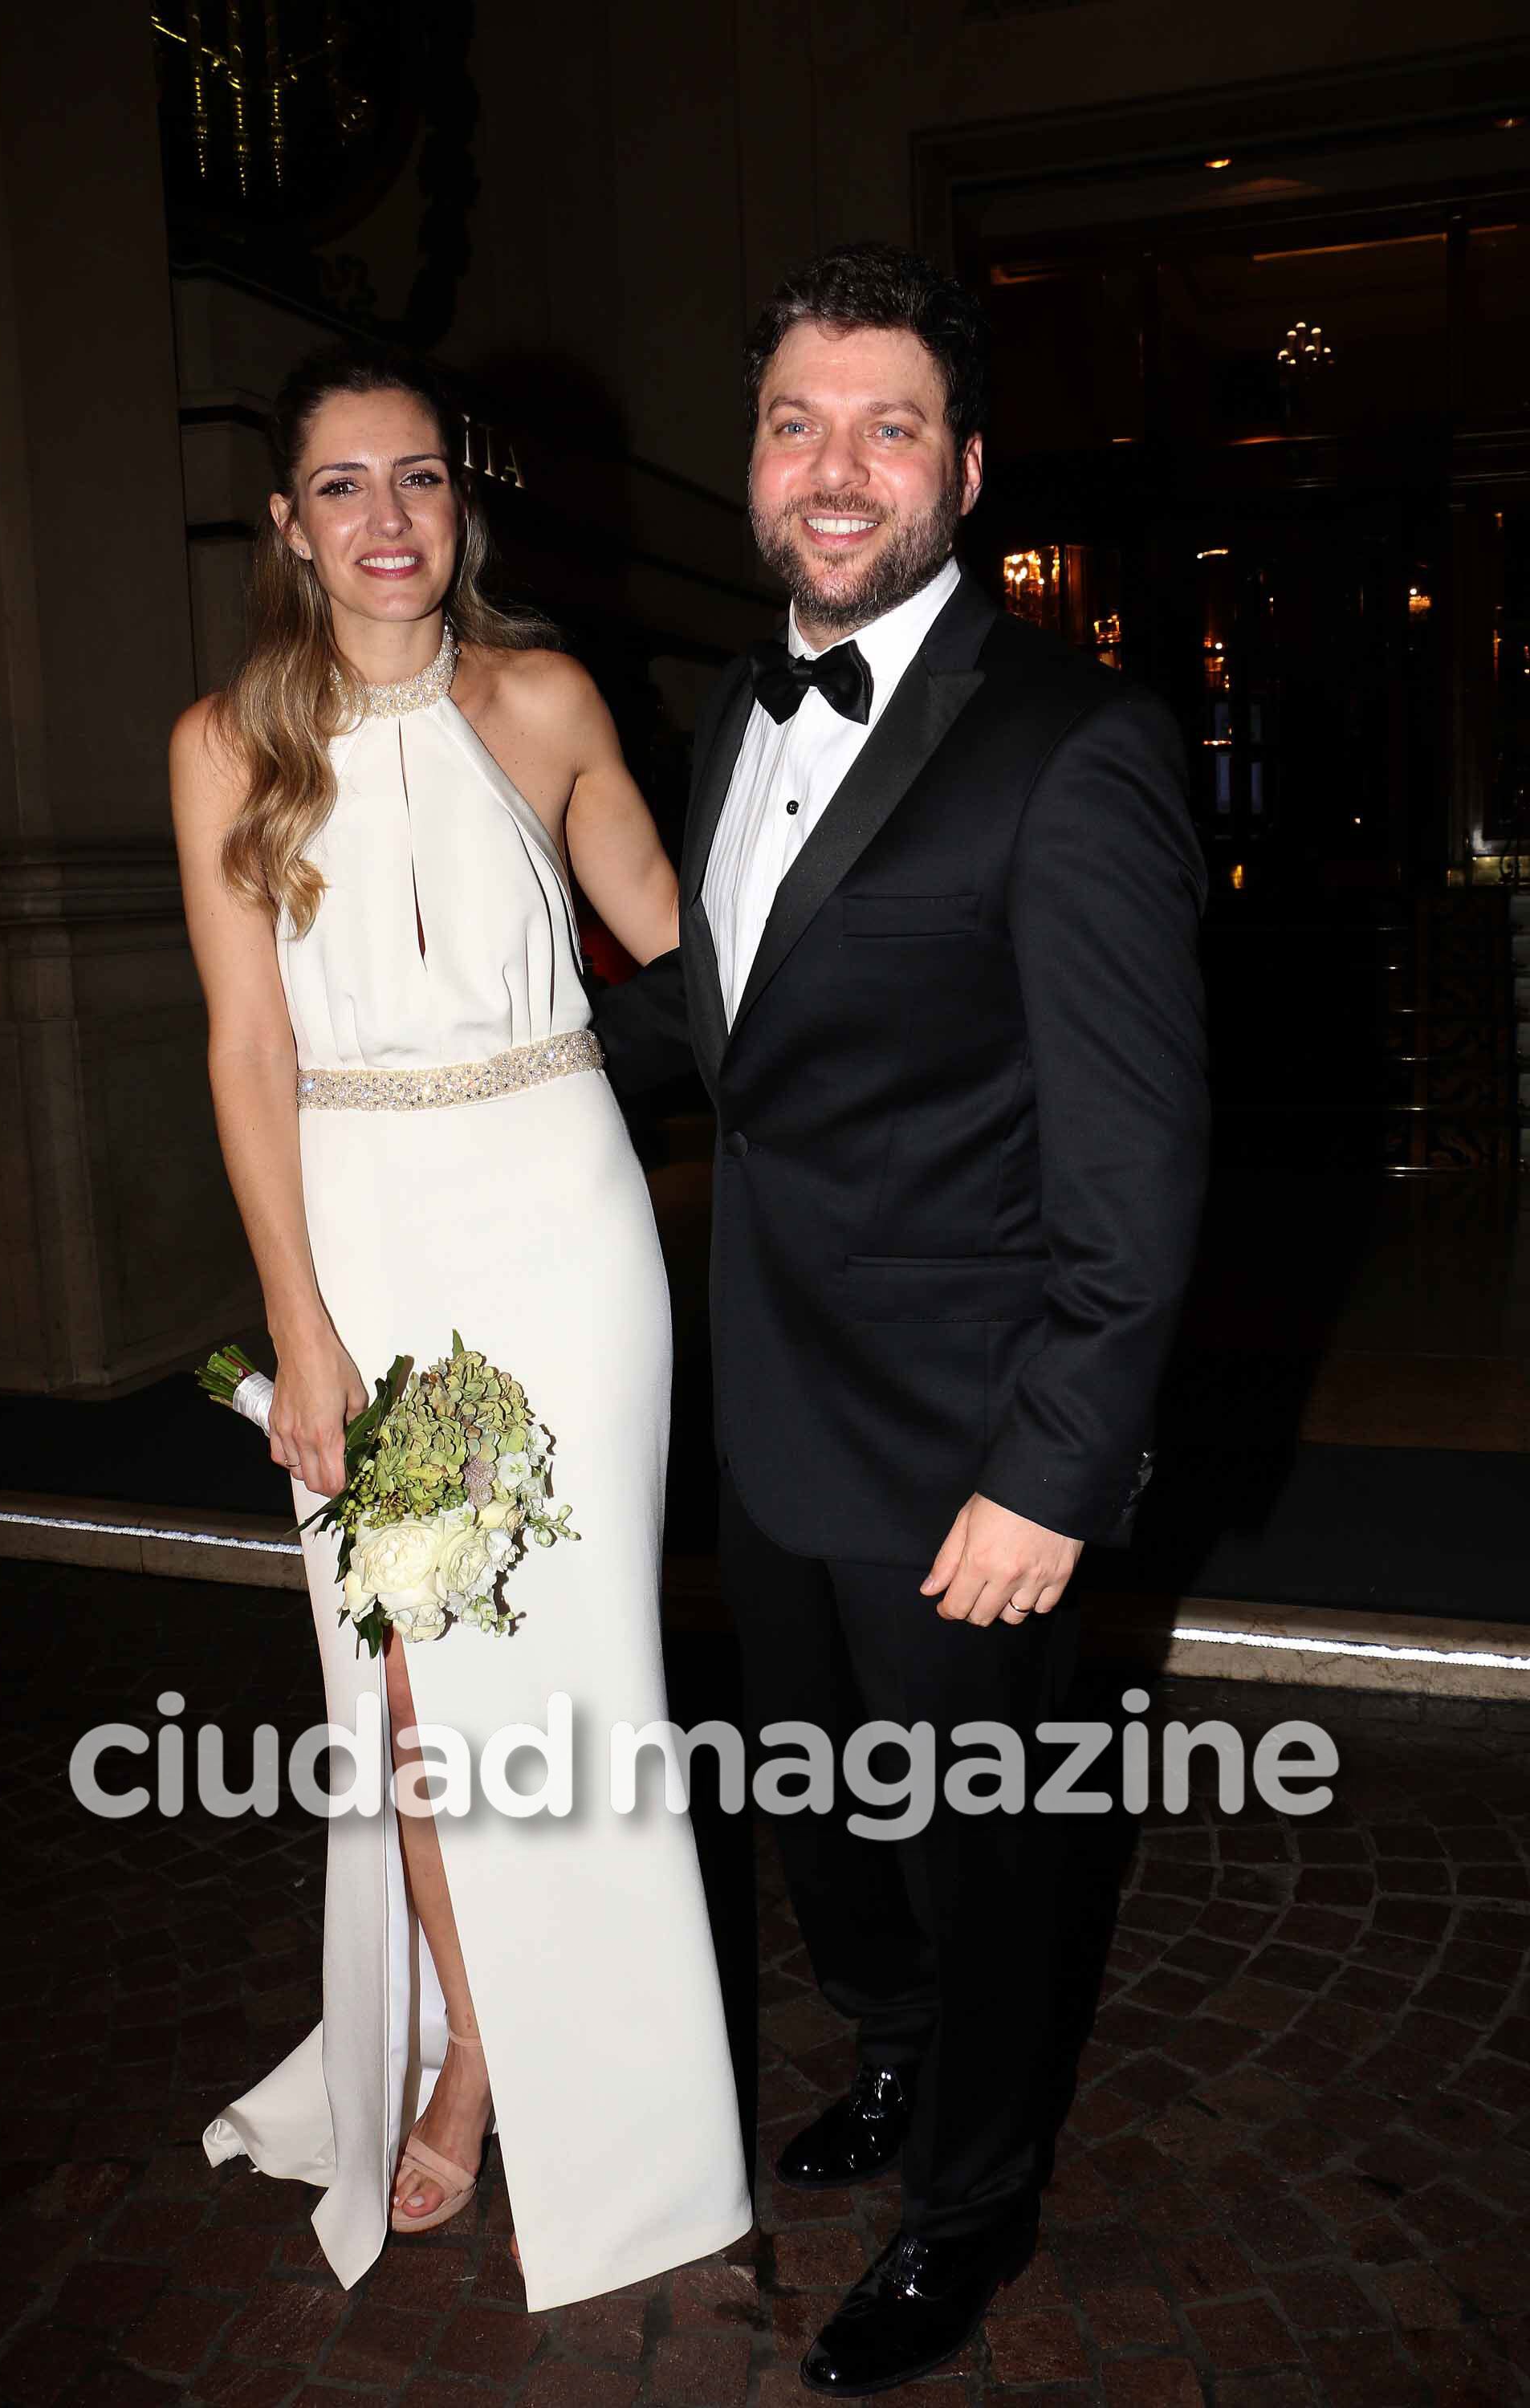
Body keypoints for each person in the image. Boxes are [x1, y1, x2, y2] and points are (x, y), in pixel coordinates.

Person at [596, 242, 1209, 2395]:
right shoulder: (718, 719)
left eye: (885, 427)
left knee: (983, 1864)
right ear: (751, 459)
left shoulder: (1077, 746)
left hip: (965, 1457)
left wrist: (1054, 1473)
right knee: (835, 1828)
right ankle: (900, 2065)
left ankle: (973, 2204)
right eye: (795, 422)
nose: (835, 471)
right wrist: (506, 1064)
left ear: (964, 464)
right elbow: (731, 1011)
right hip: (767, 1410)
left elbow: (1139, 1174)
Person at [170, 344, 751, 2308]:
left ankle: (523, 2062)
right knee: (410, 1690)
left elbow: (682, 940)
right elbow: (249, 1051)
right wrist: (298, 1324)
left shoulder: (545, 698)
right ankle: (477, 2045)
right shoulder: (224, 745)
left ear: (461, 499)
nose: (388, 519)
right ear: (288, 523)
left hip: (563, 1225)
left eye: (416, 478)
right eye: (344, 486)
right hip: (372, 1242)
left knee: (576, 1666)